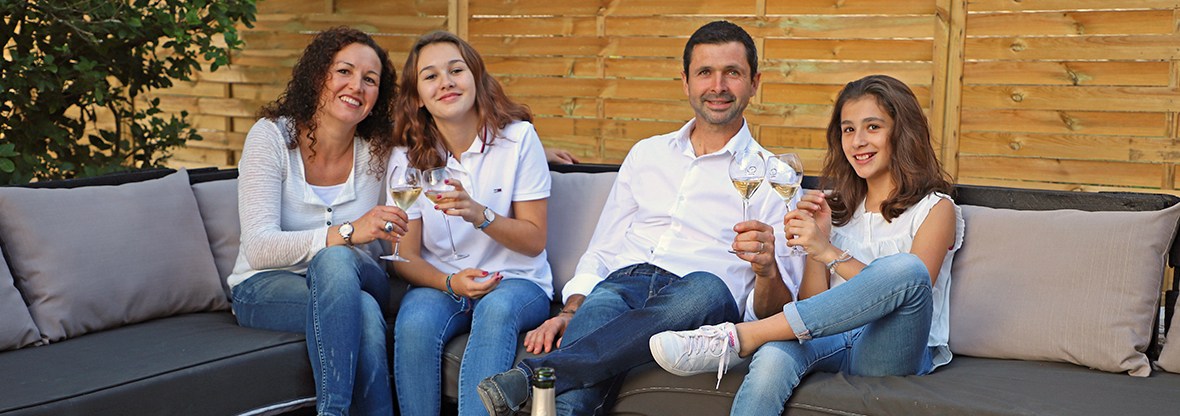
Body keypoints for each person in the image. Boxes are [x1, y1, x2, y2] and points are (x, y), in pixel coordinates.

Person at [476, 21, 804, 416]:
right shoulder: (647, 154)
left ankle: (531, 375)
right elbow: (603, 247)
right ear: (685, 82)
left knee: (709, 286)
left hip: (698, 299)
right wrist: (570, 310)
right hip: (622, 285)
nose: (717, 86)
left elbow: (777, 310)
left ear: (754, 83)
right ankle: (546, 379)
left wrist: (767, 270)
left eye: (732, 72)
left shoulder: (775, 179)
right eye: (705, 72)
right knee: (573, 400)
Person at [649, 74, 964, 415]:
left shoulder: (936, 209)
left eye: (873, 127)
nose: (858, 141)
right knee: (774, 354)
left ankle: (742, 336)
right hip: (833, 338)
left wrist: (828, 251)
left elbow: (911, 291)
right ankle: (747, 340)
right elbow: (813, 306)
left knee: (907, 269)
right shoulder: (833, 208)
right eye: (848, 129)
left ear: (902, 132)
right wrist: (817, 244)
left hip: (890, 348)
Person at [227, 27, 403, 416]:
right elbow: (258, 248)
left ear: (378, 96)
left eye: (370, 79)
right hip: (264, 286)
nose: (356, 86)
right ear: (318, 75)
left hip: (358, 276)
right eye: (344, 71)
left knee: (336, 261)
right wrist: (347, 232)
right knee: (363, 311)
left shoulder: (377, 148)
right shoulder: (272, 138)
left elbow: (445, 146)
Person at [387, 31, 554, 416]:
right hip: (445, 281)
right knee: (414, 320)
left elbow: (534, 240)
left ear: (476, 77)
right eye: (430, 76)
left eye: (456, 70)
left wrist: (480, 214)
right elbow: (405, 256)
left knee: (496, 311)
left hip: (516, 279)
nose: (445, 82)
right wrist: (449, 282)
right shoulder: (407, 157)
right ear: (418, 97)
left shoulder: (518, 139)